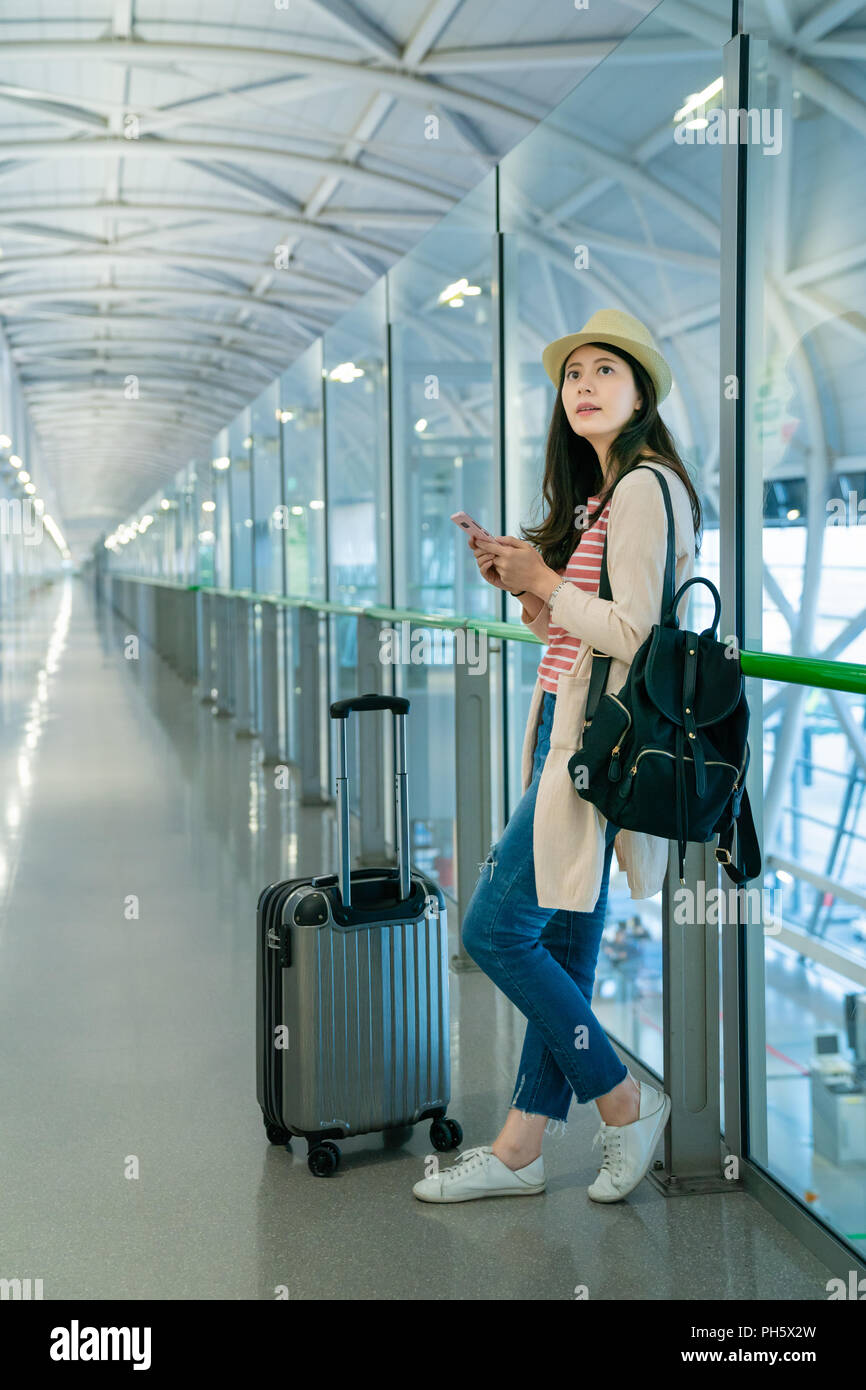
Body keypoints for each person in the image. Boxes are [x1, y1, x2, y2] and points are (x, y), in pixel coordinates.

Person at [413, 308, 703, 1205]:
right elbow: (583, 633)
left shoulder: (648, 488)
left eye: (604, 371)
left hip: (596, 746)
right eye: (573, 374)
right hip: (567, 729)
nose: (583, 386)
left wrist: (544, 582)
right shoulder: (604, 497)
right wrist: (526, 587)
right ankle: (520, 1149)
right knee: (568, 947)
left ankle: (623, 1104)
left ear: (640, 392)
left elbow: (639, 634)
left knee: (493, 929)